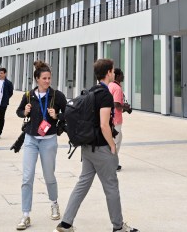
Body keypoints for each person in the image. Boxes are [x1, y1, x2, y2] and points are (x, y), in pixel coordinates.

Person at [55, 58, 138, 232]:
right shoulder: (105, 95)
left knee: (82, 184)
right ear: (108, 72)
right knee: (111, 187)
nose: (114, 72)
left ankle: (66, 223)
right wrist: (112, 146)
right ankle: (118, 226)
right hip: (101, 148)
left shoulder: (91, 91)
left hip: (87, 147)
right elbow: (103, 124)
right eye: (113, 70)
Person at [16, 59, 66, 230]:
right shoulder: (29, 95)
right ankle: (25, 214)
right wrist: (25, 111)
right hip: (31, 139)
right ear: (37, 79)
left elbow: (69, 114)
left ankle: (54, 203)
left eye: (49, 78)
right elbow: (19, 111)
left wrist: (56, 116)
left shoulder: (56, 96)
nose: (47, 81)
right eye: (44, 78)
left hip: (49, 140)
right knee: (27, 177)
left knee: (49, 176)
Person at [108, 68, 129, 171]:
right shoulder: (117, 88)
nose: (123, 76)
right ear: (118, 76)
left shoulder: (111, 85)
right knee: (115, 141)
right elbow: (116, 104)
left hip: (111, 117)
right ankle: (112, 163)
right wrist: (126, 108)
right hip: (116, 119)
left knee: (118, 138)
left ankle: (112, 161)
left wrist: (124, 107)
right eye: (122, 75)